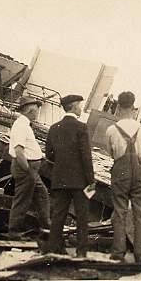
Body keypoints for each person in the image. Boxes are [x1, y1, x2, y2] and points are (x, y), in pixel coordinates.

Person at [45, 95, 95, 257]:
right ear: (73, 107)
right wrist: (91, 180)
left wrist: (62, 163)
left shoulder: (54, 128)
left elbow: (49, 154)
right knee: (82, 216)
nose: (81, 109)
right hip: (80, 180)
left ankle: (53, 248)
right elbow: (86, 156)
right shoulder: (81, 127)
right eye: (79, 106)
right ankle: (81, 252)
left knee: (58, 214)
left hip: (59, 178)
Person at [105, 91, 141, 262]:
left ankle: (118, 252)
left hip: (120, 172)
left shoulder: (111, 130)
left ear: (118, 106)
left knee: (119, 211)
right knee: (140, 212)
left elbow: (110, 153)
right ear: (133, 107)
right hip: (139, 171)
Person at [8, 96, 51, 239]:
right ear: (31, 111)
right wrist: (28, 171)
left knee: (42, 195)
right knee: (22, 200)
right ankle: (14, 232)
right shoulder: (21, 125)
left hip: (30, 169)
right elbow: (19, 151)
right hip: (26, 168)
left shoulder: (24, 124)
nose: (37, 113)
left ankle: (47, 227)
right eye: (37, 110)